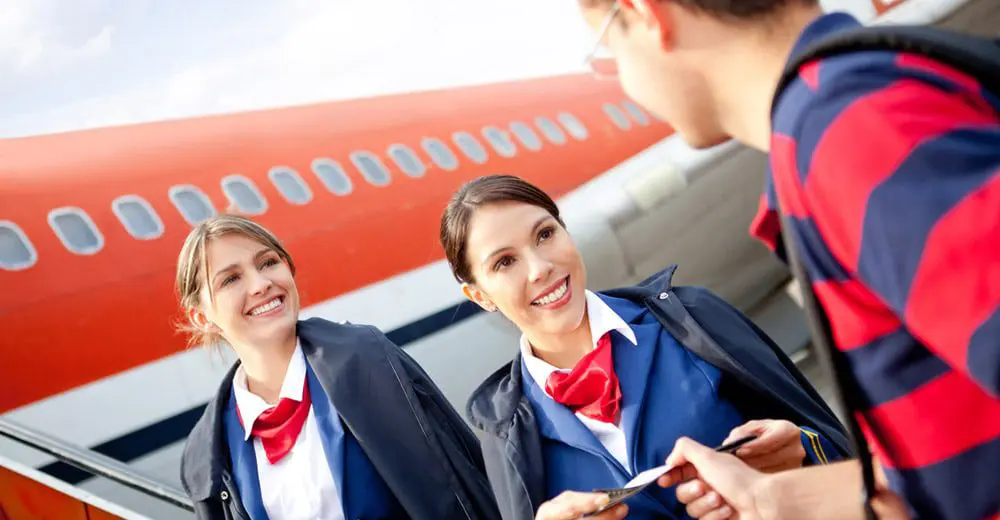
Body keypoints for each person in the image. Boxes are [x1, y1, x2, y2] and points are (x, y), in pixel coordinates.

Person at [574, 0, 1000, 519]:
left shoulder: (847, 133)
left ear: (647, 15)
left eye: (609, 49)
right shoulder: (840, 114)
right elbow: (960, 468)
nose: (625, 81)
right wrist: (771, 498)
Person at [440, 174, 849, 520]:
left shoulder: (692, 319)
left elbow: (842, 452)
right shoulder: (506, 433)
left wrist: (802, 451)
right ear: (480, 296)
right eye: (504, 262)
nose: (540, 268)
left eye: (545, 234)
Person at [176, 214, 501, 520]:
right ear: (202, 317)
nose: (260, 284)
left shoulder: (368, 360)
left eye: (268, 263)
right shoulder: (207, 454)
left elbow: (464, 477)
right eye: (231, 279)